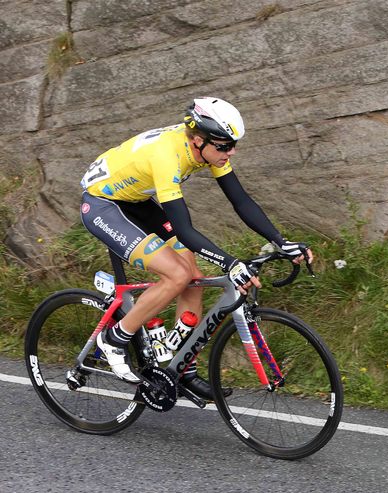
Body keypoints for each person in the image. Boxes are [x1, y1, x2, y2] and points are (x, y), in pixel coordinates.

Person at [80, 96, 311, 399]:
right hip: (103, 205)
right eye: (225, 146)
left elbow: (240, 200)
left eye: (232, 145)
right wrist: (231, 263)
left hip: (135, 201)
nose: (231, 152)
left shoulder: (206, 150)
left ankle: (181, 368)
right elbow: (186, 232)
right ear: (198, 140)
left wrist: (281, 242)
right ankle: (114, 339)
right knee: (176, 274)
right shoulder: (167, 156)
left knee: (194, 279)